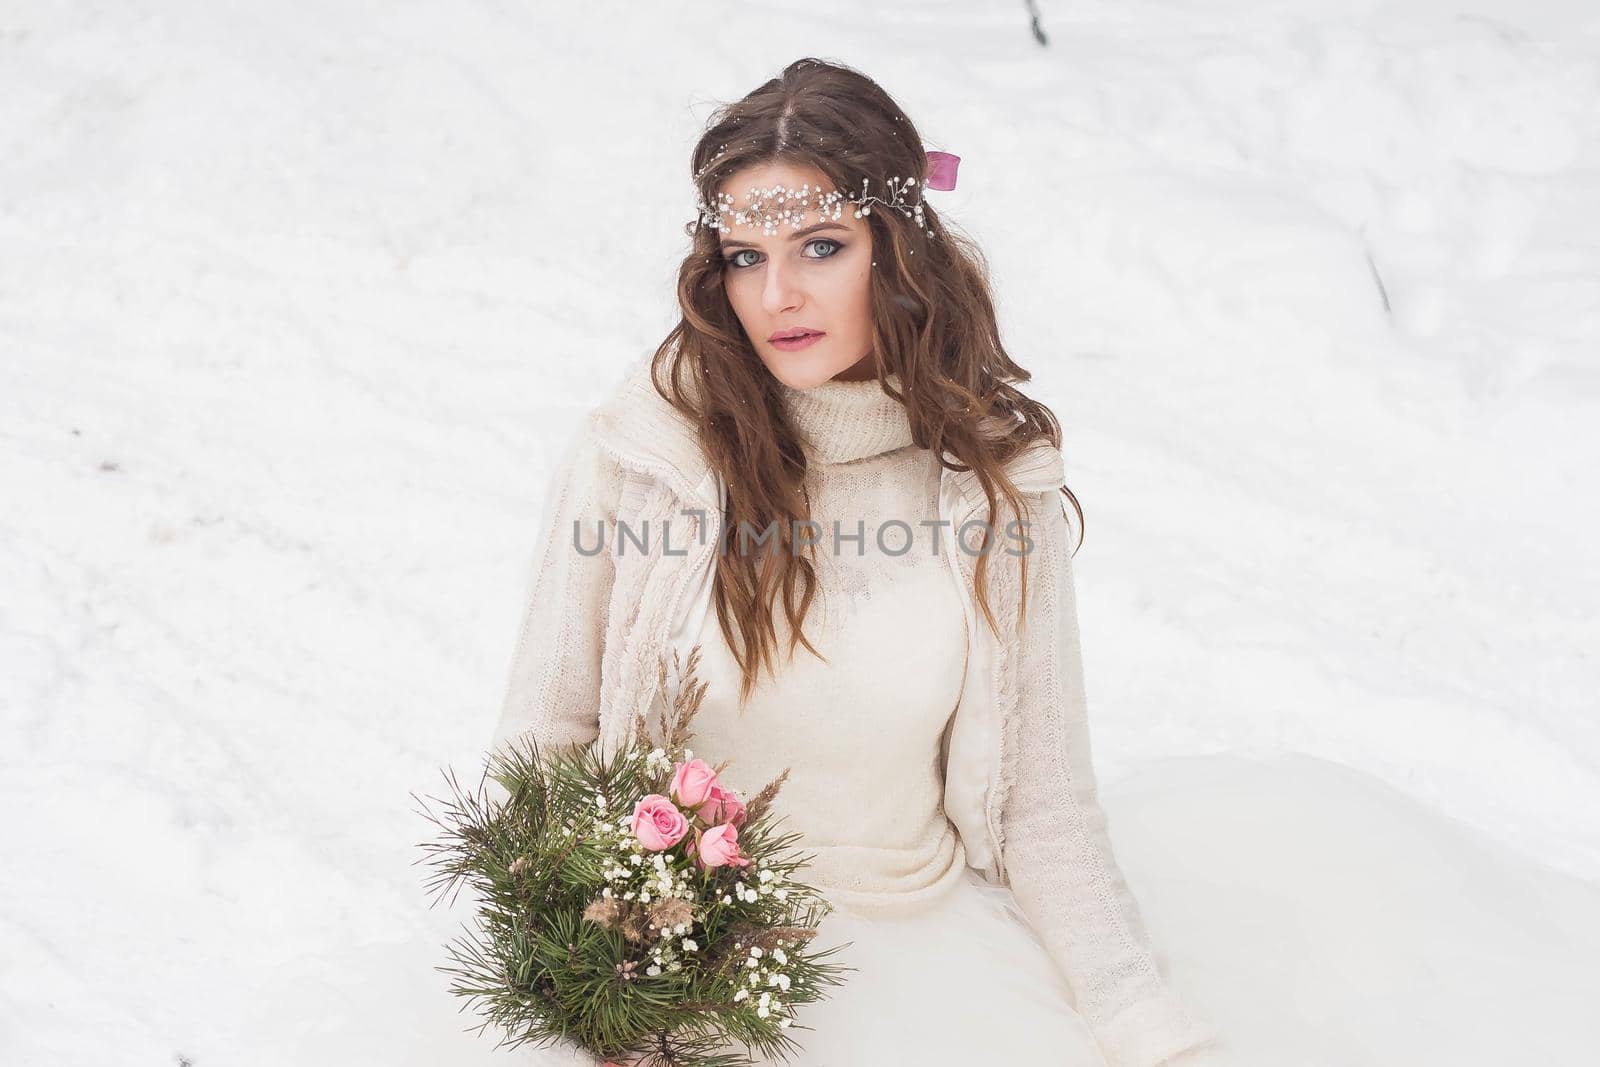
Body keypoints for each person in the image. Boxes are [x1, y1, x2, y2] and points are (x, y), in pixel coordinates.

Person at [491, 57, 1225, 1067]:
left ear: (899, 251)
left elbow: (1039, 805)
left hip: (918, 975)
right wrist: (594, 998)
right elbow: (544, 742)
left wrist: (1146, 1026)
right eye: (744, 257)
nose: (776, 293)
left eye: (820, 247)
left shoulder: (992, 481)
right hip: (669, 976)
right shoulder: (643, 454)